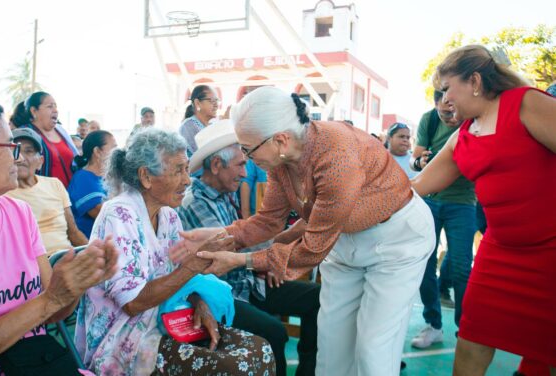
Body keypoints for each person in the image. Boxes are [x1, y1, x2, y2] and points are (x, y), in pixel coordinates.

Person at [173, 87, 436, 375]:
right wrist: (218, 236)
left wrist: (238, 259)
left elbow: (311, 249)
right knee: (332, 343)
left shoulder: (336, 158)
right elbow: (269, 221)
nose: (247, 159)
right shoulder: (280, 160)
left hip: (396, 242)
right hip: (344, 244)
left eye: (248, 149)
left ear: (280, 139)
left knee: (373, 348)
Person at [0, 93, 118, 375]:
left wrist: (74, 285)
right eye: (10, 146)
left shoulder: (19, 213)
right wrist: (50, 300)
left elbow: (53, 313)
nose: (17, 157)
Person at [74, 128, 275, 376]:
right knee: (232, 366)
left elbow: (177, 277)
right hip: (124, 337)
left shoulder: (168, 215)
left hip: (164, 319)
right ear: (146, 176)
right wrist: (195, 263)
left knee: (260, 350)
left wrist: (198, 302)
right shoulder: (119, 214)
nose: (187, 180)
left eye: (187, 168)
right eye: (178, 170)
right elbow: (133, 304)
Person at [412, 44, 556, 375]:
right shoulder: (462, 134)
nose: (444, 99)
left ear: (475, 80)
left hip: (551, 252)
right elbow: (417, 188)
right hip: (499, 253)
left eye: (448, 88)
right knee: (472, 341)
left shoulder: (527, 103)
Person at [177, 120, 320, 376]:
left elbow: (245, 241)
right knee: (274, 332)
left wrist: (267, 259)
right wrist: (284, 241)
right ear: (217, 165)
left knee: (317, 299)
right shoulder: (195, 202)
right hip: (223, 296)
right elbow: (228, 251)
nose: (245, 174)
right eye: (241, 164)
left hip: (246, 283)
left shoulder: (222, 195)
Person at [409, 88, 477, 348]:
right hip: (430, 199)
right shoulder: (429, 119)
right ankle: (433, 324)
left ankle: (465, 329)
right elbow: (416, 158)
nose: (450, 115)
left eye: (453, 110)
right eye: (444, 110)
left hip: (463, 202)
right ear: (436, 104)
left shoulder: (473, 119)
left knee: (461, 266)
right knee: (425, 262)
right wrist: (423, 162)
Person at [5, 128, 88, 255]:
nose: (21, 158)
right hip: (33, 264)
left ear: (40, 162)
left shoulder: (54, 184)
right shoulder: (1, 193)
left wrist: (91, 251)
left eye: (29, 151)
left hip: (67, 255)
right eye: (15, 150)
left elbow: (73, 232)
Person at [18, 92, 79, 188]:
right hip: (42, 196)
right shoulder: (24, 134)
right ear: (34, 111)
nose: (55, 110)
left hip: (67, 195)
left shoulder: (61, 131)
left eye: (56, 106)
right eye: (50, 106)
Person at [68, 130, 116, 238]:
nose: (117, 153)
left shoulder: (109, 178)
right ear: (97, 151)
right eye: (113, 148)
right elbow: (102, 213)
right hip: (91, 245)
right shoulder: (83, 178)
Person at [179, 85, 220, 158]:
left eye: (216, 100)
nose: (216, 105)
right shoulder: (188, 126)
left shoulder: (212, 125)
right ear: (197, 103)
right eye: (211, 101)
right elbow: (207, 156)